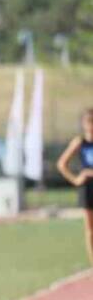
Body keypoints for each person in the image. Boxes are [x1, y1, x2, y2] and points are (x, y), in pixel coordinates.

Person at [55, 108, 93, 265]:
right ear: (84, 124)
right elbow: (62, 164)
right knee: (90, 229)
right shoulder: (80, 142)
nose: (91, 125)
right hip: (87, 186)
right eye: (88, 122)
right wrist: (76, 179)